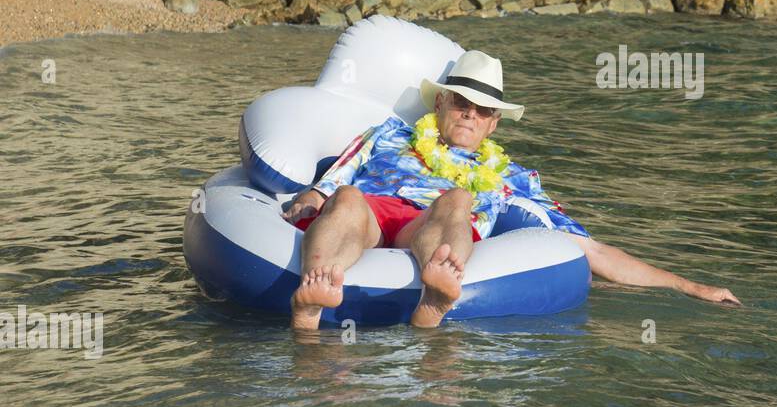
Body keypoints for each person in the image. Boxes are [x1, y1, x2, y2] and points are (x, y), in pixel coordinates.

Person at [282, 49, 740, 329]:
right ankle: (314, 296)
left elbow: (587, 248)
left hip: (436, 224)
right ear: (441, 101)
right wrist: (301, 204)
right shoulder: (386, 134)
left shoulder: (511, 176)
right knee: (347, 199)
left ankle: (437, 292)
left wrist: (687, 285)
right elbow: (328, 187)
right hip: (372, 211)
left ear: (494, 123)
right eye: (461, 103)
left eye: (483, 110)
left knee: (458, 199)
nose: (469, 115)